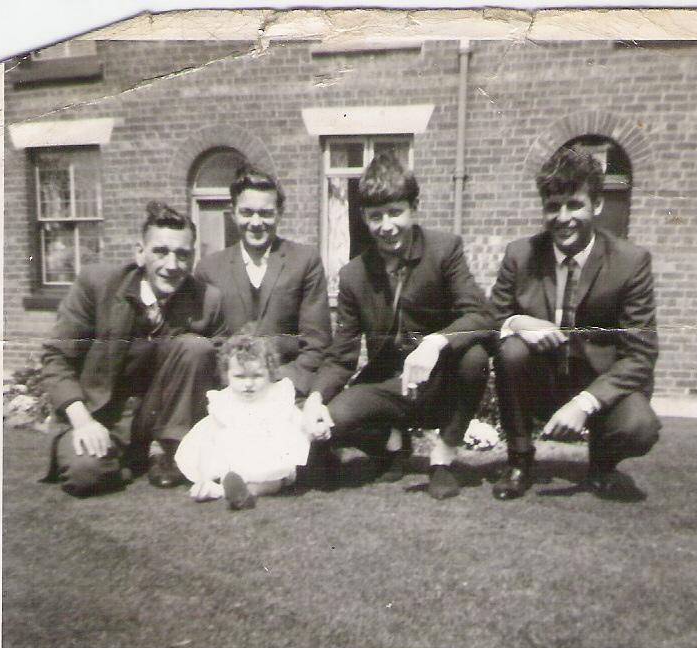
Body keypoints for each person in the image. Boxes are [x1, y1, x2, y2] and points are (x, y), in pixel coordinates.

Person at [303, 152, 495, 500]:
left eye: (395, 212)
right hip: (387, 386)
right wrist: (315, 399)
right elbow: (342, 355)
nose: (386, 226)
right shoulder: (353, 275)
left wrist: (435, 343)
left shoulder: (444, 249)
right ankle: (392, 443)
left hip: (438, 380)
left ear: (413, 207)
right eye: (375, 216)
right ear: (363, 217)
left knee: (475, 357)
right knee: (333, 419)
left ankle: (442, 460)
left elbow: (482, 316)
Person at [489, 145, 661, 501]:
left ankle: (602, 465)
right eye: (553, 207)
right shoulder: (520, 255)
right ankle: (519, 461)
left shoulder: (631, 262)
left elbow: (640, 354)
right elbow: (489, 320)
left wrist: (585, 403)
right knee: (511, 350)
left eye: (574, 205)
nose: (563, 218)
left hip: (599, 385)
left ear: (596, 205)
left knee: (640, 427)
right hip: (541, 381)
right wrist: (519, 321)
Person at [41, 202, 225, 496]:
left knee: (196, 348)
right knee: (84, 475)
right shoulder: (97, 285)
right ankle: (133, 460)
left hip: (159, 420)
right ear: (140, 252)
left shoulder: (207, 300)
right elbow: (55, 359)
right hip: (99, 415)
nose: (171, 265)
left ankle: (165, 449)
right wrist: (83, 421)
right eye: (160, 252)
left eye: (182, 254)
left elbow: (218, 372)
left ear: (192, 258)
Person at [194, 166, 331, 397]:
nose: (256, 223)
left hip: (288, 390)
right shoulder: (209, 268)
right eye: (247, 212)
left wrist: (282, 385)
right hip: (229, 391)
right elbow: (207, 345)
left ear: (279, 212)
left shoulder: (305, 261)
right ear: (233, 212)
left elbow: (316, 341)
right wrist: (235, 384)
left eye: (266, 213)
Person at [174, 326, 311, 511]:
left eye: (257, 376)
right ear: (227, 375)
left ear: (270, 373)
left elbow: (297, 424)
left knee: (274, 478)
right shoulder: (225, 401)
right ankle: (223, 488)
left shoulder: (277, 397)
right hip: (234, 459)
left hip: (267, 458)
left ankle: (230, 492)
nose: (248, 384)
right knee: (224, 468)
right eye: (239, 377)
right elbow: (209, 439)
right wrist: (204, 477)